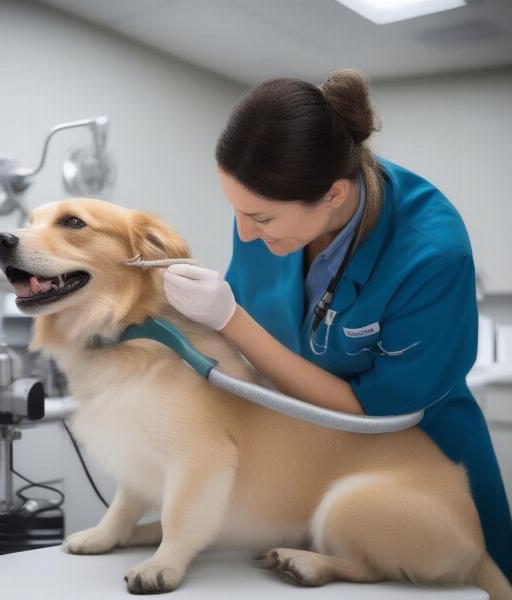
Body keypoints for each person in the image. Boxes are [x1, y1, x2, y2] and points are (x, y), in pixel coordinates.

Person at [162, 69, 512, 581]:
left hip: (414, 454)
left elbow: (368, 411)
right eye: (235, 211)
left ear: (333, 195)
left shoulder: (430, 254)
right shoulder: (270, 207)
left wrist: (231, 320)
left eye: (260, 218)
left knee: (469, 578)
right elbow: (247, 337)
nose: (244, 233)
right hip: (307, 453)